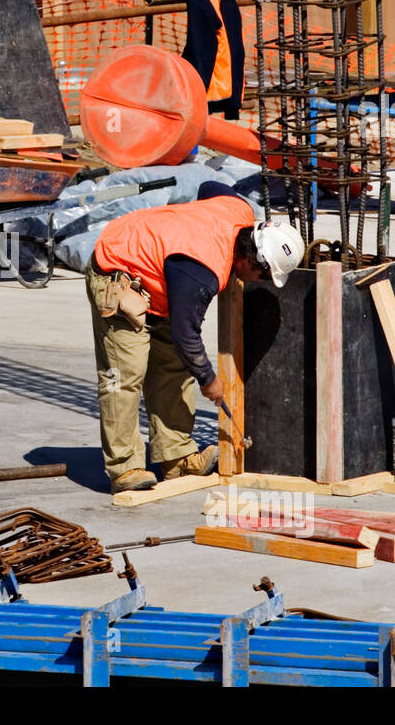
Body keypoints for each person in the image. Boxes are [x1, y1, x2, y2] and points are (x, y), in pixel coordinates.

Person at [85, 182, 304, 494]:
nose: (262, 282)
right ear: (251, 259)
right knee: (124, 374)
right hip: (120, 267)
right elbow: (186, 336)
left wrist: (184, 226)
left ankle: (176, 457)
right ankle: (125, 467)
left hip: (161, 275)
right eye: (264, 276)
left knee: (174, 369)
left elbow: (208, 186)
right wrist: (209, 380)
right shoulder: (203, 271)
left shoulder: (239, 210)